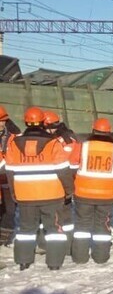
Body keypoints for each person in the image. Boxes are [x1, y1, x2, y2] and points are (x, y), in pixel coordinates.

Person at [4, 106, 73, 271]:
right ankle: (54, 263)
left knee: (26, 229)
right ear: (43, 121)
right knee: (54, 228)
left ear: (26, 122)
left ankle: (23, 261)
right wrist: (69, 191)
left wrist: (15, 193)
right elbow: (64, 171)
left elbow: (10, 172)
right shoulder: (53, 143)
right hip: (52, 194)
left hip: (25, 195)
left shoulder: (13, 144)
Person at [69, 118, 113, 264]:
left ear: (93, 129)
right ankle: (101, 257)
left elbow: (71, 166)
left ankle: (80, 257)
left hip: (82, 193)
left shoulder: (82, 146)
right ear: (109, 132)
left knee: (82, 225)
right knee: (102, 225)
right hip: (106, 195)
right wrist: (111, 177)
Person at [42, 111, 78, 250]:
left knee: (62, 215)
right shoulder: (67, 137)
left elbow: (69, 162)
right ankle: (66, 244)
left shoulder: (62, 141)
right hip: (60, 180)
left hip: (60, 181)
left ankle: (63, 244)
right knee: (61, 215)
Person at [0, 106, 21, 246]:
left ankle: (4, 238)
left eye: (3, 121)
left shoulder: (13, 136)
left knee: (10, 210)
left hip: (7, 178)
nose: (2, 123)